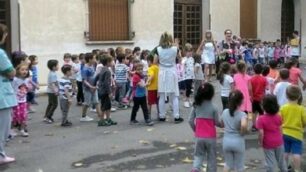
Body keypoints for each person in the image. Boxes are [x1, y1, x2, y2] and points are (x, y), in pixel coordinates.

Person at [153, 32, 184, 123]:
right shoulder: (175, 49)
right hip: (172, 71)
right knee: (174, 95)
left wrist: (162, 63)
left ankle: (162, 116)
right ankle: (176, 116)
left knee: (162, 95)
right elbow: (180, 59)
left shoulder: (158, 49)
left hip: (162, 72)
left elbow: (155, 61)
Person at [189, 83, 219, 172]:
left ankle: (195, 169)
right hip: (211, 137)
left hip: (199, 137)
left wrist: (196, 130)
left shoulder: (196, 106)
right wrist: (223, 124)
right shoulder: (214, 107)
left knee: (198, 155)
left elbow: (190, 120)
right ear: (211, 94)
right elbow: (217, 122)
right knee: (212, 158)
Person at [0, 23, 17, 164]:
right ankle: (0, 155)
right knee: (2, 128)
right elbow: (11, 72)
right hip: (2, 95)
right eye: (5, 34)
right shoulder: (0, 53)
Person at [256, 95, 287, 172]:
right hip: (279, 142)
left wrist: (260, 142)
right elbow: (281, 130)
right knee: (281, 161)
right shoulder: (278, 117)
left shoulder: (261, 119)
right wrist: (281, 139)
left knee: (270, 162)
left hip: (268, 143)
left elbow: (261, 133)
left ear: (264, 106)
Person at [280, 85, 306, 172]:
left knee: (285, 152)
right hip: (297, 134)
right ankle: (297, 169)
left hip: (284, 133)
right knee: (296, 153)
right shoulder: (302, 109)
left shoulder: (283, 108)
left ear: (286, 96)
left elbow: (280, 120)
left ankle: (284, 168)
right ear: (299, 96)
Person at [221, 90, 248, 172]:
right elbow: (243, 125)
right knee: (239, 166)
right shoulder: (242, 114)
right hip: (238, 141)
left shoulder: (225, 112)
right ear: (241, 101)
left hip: (226, 141)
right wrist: (242, 132)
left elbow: (221, 124)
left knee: (228, 164)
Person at [12, 63, 38, 136]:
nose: (25, 71)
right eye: (22, 70)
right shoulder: (15, 79)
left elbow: (29, 87)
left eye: (26, 70)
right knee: (15, 116)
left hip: (23, 101)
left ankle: (22, 129)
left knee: (24, 116)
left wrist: (33, 87)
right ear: (18, 71)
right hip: (15, 101)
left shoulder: (27, 79)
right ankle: (12, 130)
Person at [95, 55, 117, 127]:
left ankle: (108, 119)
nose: (112, 63)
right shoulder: (107, 71)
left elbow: (97, 77)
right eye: (111, 61)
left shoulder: (103, 69)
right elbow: (106, 83)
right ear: (108, 62)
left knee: (108, 106)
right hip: (104, 91)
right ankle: (101, 121)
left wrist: (96, 84)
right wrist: (109, 92)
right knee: (104, 107)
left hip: (101, 90)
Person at [81, 53, 100, 122]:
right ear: (89, 59)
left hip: (94, 87)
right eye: (94, 58)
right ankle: (83, 116)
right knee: (87, 103)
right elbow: (84, 80)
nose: (95, 60)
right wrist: (91, 86)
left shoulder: (92, 66)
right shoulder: (85, 69)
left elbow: (94, 76)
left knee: (96, 102)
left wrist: (96, 84)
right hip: (88, 89)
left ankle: (100, 116)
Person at [250, 64, 268, 131]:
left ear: (254, 70)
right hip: (261, 98)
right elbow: (266, 88)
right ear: (262, 70)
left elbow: (249, 88)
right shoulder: (264, 79)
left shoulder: (251, 78)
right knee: (261, 112)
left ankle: (254, 126)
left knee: (254, 112)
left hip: (253, 98)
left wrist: (251, 96)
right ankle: (261, 125)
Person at [146, 54, 159, 118]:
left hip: (151, 88)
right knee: (158, 102)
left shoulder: (150, 68)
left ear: (149, 61)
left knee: (150, 103)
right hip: (158, 88)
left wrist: (147, 82)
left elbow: (151, 75)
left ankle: (148, 115)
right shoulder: (157, 67)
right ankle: (160, 114)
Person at [182, 43, 194, 108]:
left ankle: (188, 99)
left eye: (190, 51)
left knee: (189, 88)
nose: (189, 53)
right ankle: (185, 101)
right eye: (188, 51)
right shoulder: (184, 59)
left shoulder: (192, 59)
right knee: (186, 89)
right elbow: (182, 67)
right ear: (185, 52)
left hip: (191, 76)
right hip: (186, 77)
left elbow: (192, 67)